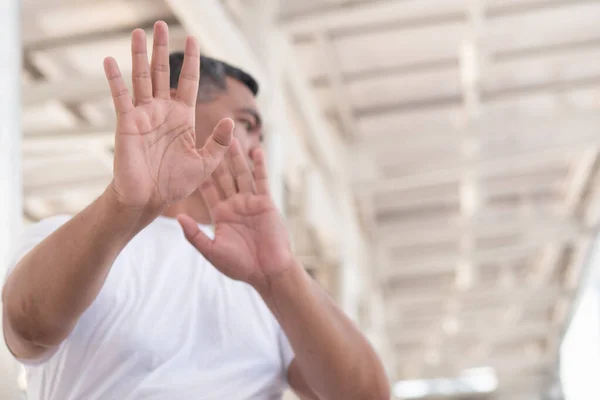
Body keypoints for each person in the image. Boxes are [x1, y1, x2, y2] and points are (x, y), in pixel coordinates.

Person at [2, 21, 389, 400]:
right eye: (247, 123)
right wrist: (122, 205)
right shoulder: (66, 239)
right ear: (175, 105)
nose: (258, 144)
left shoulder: (270, 282)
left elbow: (366, 396)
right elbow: (27, 328)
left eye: (261, 134)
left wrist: (281, 275)